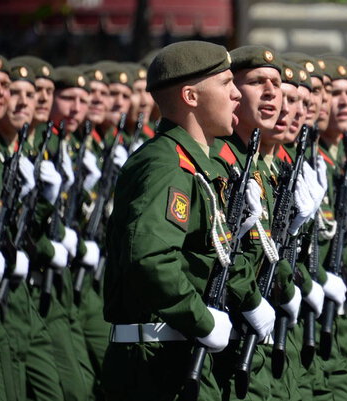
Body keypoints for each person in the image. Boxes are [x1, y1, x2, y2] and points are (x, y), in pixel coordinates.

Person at [102, 40, 242, 401]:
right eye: (226, 84)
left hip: (179, 353)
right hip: (154, 362)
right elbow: (151, 259)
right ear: (191, 97)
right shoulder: (166, 164)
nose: (237, 94)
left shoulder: (195, 162)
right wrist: (204, 321)